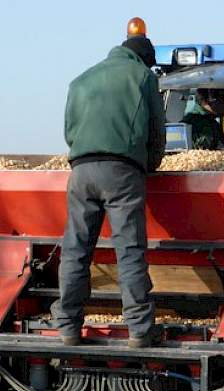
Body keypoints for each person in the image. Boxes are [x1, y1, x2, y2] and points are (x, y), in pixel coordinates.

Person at [52, 18, 166, 348]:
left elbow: (69, 132)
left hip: (81, 172)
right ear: (145, 59)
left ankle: (68, 327)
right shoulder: (144, 77)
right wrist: (150, 164)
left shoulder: (80, 80)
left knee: (75, 249)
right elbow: (156, 132)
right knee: (128, 250)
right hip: (122, 171)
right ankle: (140, 330)